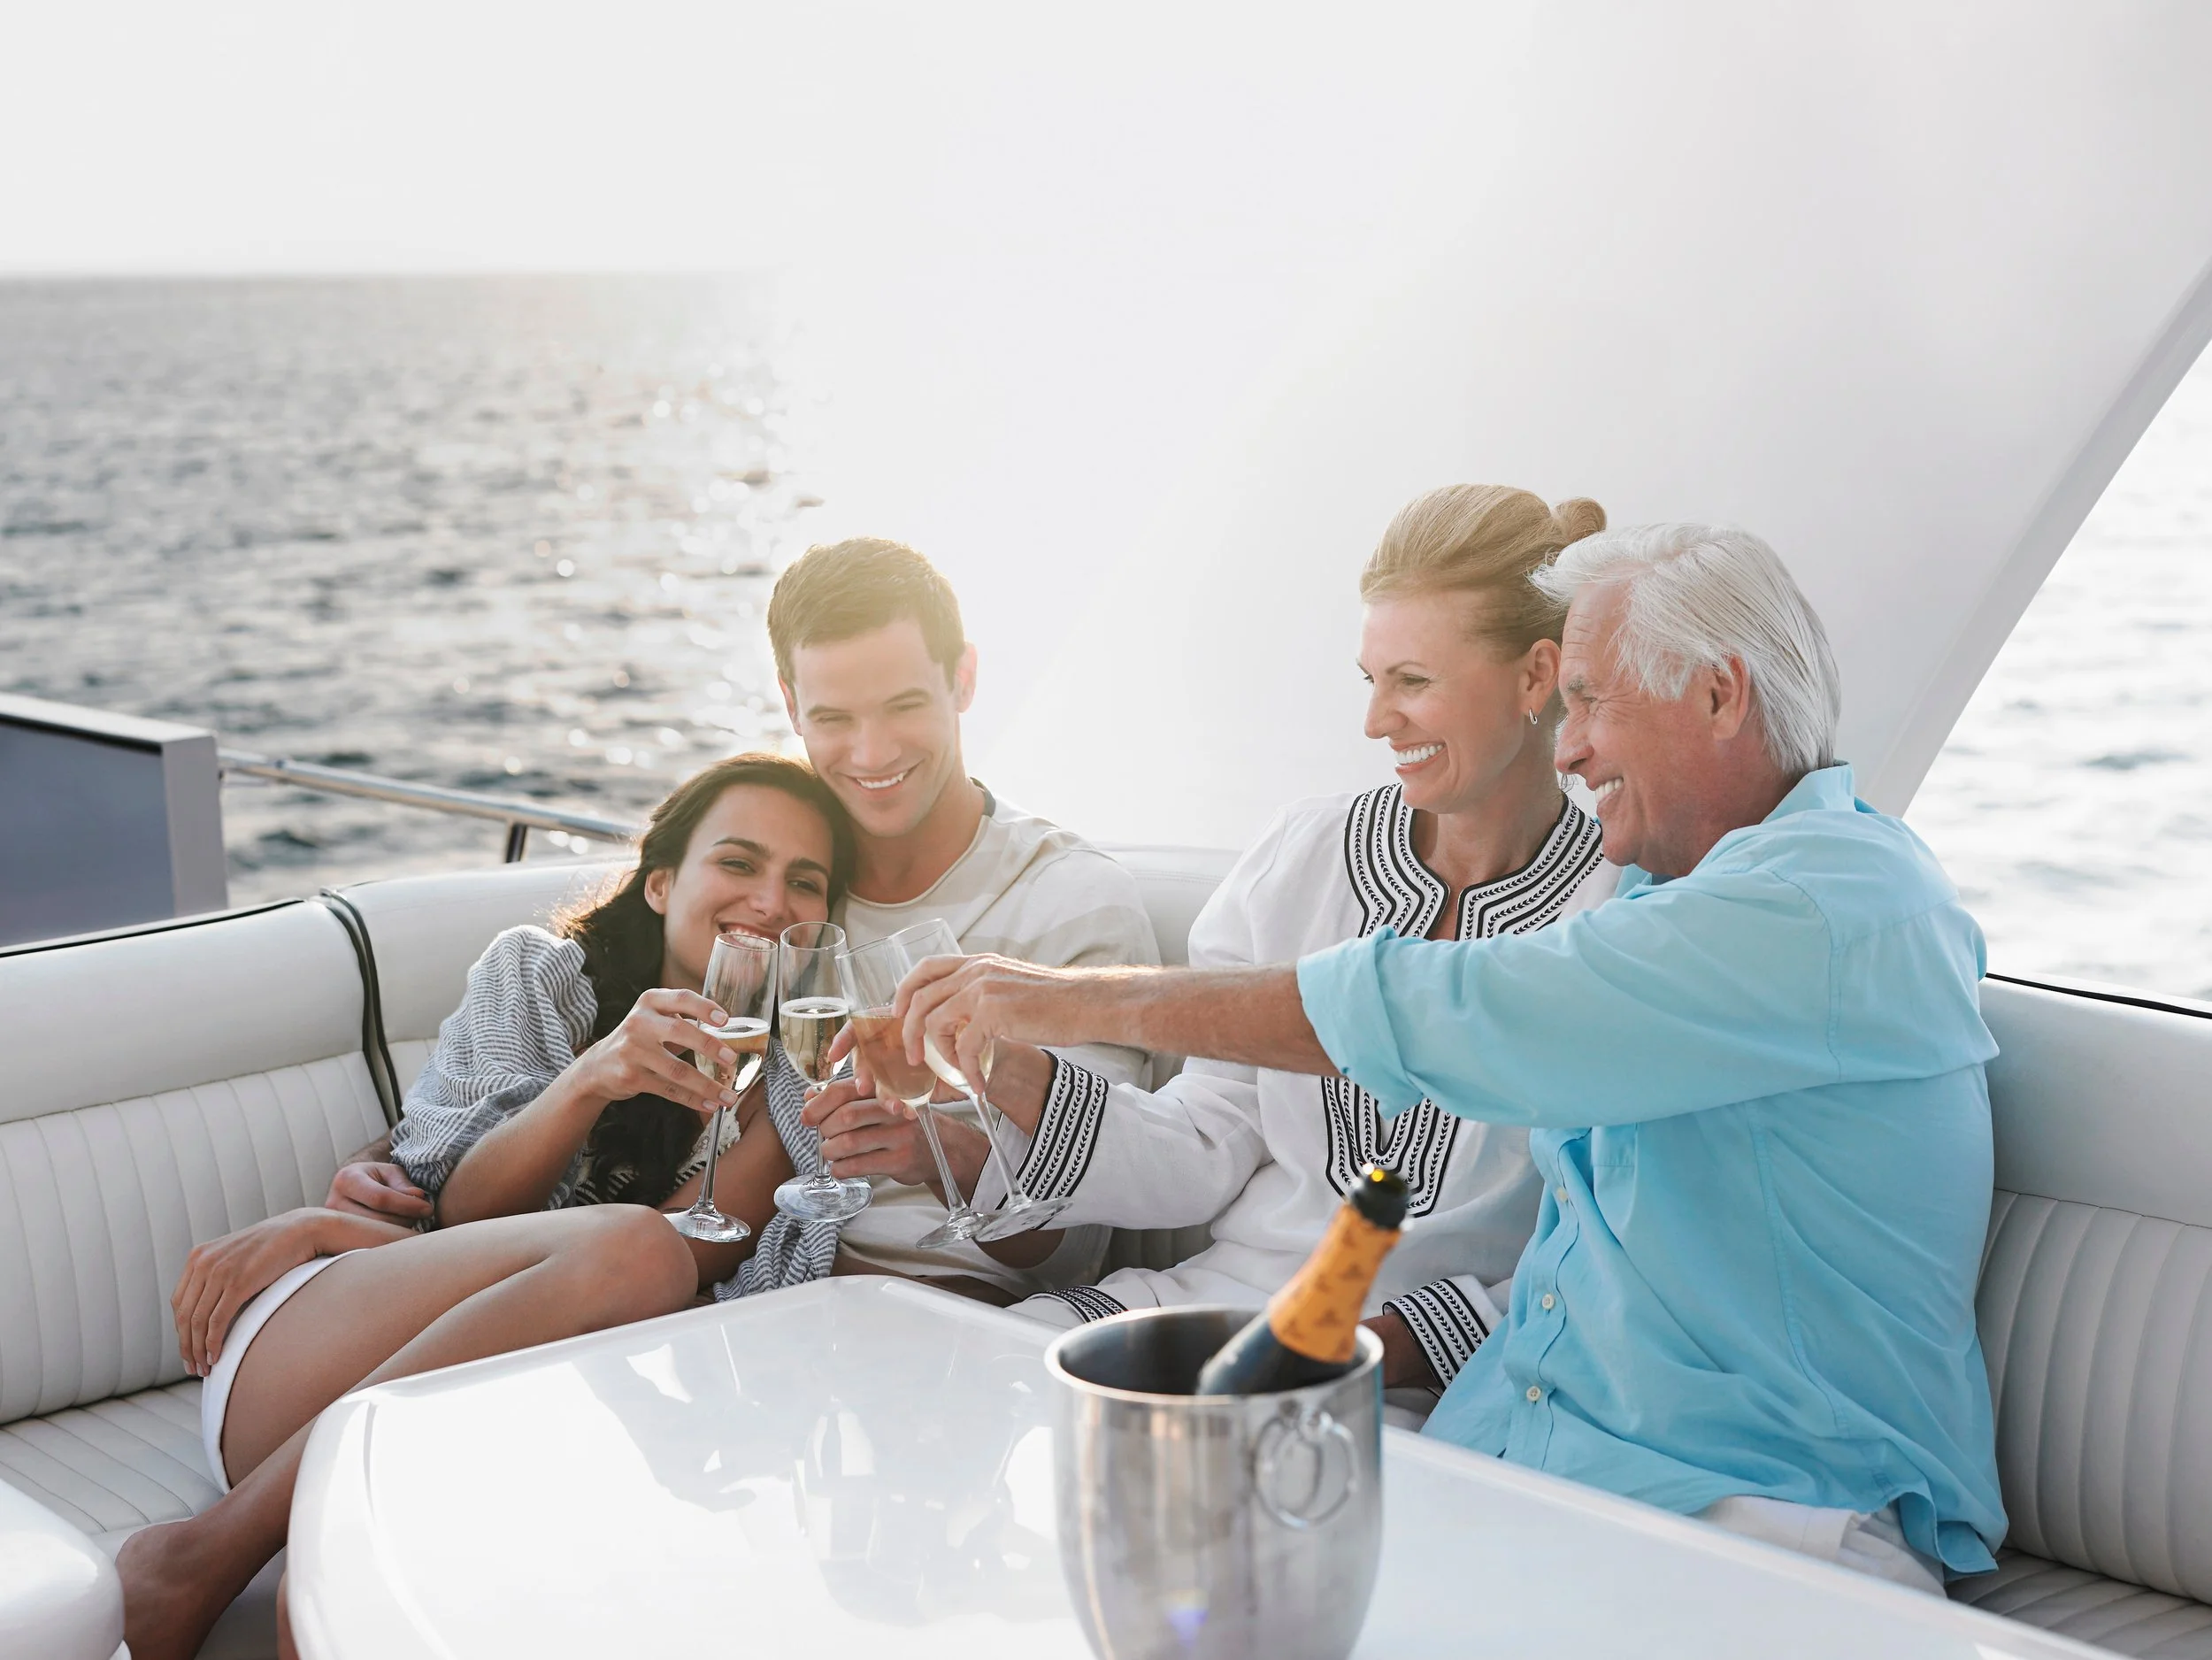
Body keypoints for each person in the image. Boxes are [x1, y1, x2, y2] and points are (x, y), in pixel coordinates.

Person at [897, 524, 2007, 1595]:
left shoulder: (1825, 901)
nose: (1570, 750)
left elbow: (1465, 1011)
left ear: (1717, 695)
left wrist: (1055, 999)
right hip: (1528, 1474)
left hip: (1764, 1519)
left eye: (1591, 704)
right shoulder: (1669, 901)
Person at [811, 487, 1617, 1403]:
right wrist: (1008, 1069)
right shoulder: (1304, 857)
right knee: (954, 1386)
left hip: (1429, 1376)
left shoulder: (1614, 919)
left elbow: (1594, 1254)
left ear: (1533, 676)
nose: (1375, 721)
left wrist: (1368, 1346)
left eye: (1413, 682)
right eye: (1371, 680)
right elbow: (1200, 1149)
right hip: (1208, 1309)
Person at [116, 754, 856, 1660]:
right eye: (739, 863)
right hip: (327, 1357)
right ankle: (201, 1553)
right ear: (662, 883)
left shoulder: (788, 1088)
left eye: (804, 881)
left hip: (521, 1400)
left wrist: (327, 1221)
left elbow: (677, 1278)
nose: (771, 898)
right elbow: (461, 1208)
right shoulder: (540, 977)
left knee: (416, 1587)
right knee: (633, 1247)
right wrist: (590, 1078)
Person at [765, 536, 1160, 1301]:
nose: (871, 752)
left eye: (904, 707)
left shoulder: (1072, 902)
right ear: (790, 706)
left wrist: (933, 1150)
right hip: (771, 1283)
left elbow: (1073, 1244)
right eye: (834, 718)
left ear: (964, 679)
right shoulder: (789, 893)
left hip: (958, 1316)